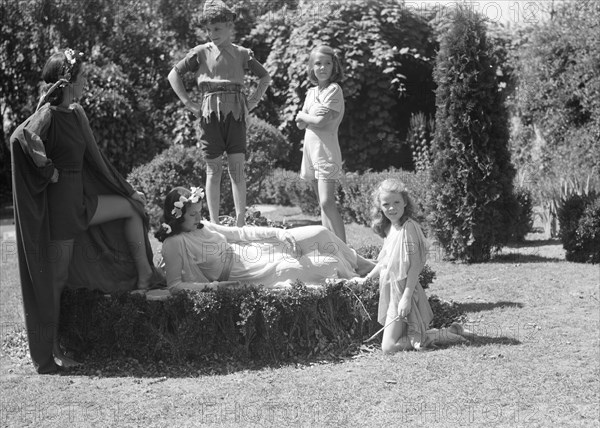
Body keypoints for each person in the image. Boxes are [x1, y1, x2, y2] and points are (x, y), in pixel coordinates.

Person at [9, 49, 163, 374]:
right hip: (62, 208)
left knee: (131, 209)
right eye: (83, 79)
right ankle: (50, 354)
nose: (87, 84)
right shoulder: (49, 114)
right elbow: (22, 136)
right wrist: (47, 169)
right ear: (67, 82)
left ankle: (145, 277)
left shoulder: (76, 113)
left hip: (83, 200)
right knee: (57, 279)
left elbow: (98, 159)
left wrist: (127, 189)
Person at [167, 0, 271, 227]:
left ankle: (240, 222)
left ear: (229, 26)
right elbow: (173, 75)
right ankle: (213, 222)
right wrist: (189, 104)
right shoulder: (200, 53)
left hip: (236, 115)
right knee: (213, 170)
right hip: (209, 116)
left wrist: (252, 102)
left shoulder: (243, 54)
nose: (212, 34)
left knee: (237, 169)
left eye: (217, 28)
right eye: (209, 29)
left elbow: (265, 77)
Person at [155, 187, 375, 293]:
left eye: (199, 212)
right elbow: (175, 286)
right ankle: (372, 277)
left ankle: (369, 267)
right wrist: (215, 286)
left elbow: (240, 234)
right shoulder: (174, 243)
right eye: (192, 214)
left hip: (252, 250)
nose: (198, 218)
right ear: (177, 215)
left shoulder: (203, 225)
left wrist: (278, 233)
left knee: (320, 233)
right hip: (249, 273)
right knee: (327, 264)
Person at [351, 179, 471, 353]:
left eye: (396, 202)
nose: (392, 208)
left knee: (389, 347)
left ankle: (436, 336)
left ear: (405, 202)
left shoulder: (409, 228)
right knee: (395, 340)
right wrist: (367, 279)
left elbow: (415, 266)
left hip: (404, 290)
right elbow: (385, 262)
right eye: (386, 204)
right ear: (380, 207)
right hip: (392, 290)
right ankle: (448, 331)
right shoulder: (390, 228)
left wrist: (406, 298)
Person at [295, 45, 347, 242]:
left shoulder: (334, 90)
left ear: (334, 67)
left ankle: (345, 250)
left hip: (326, 152)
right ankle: (330, 247)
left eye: (327, 63)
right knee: (321, 204)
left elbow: (319, 121)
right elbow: (300, 124)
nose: (323, 67)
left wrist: (304, 115)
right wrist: (307, 117)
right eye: (318, 63)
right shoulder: (311, 93)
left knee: (327, 202)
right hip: (310, 152)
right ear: (311, 67)